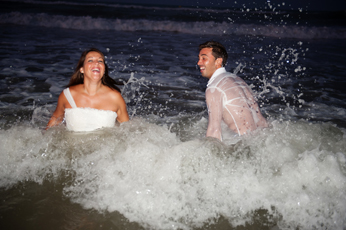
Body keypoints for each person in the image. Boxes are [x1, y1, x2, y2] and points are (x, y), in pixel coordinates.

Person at [197, 41, 267, 140]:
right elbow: (261, 122)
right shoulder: (238, 80)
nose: (199, 62)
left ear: (218, 61)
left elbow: (214, 130)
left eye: (204, 58)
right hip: (257, 140)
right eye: (199, 58)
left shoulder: (214, 88)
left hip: (241, 145)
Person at [46, 48, 129, 131]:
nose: (96, 63)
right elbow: (51, 127)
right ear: (82, 69)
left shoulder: (115, 98)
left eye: (100, 61)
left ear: (104, 70)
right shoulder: (68, 95)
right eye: (90, 60)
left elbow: (128, 131)